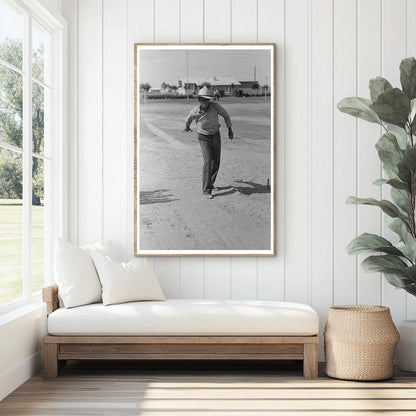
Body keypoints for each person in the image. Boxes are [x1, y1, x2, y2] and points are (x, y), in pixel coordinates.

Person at [184, 86, 234, 199]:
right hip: (203, 137)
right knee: (207, 161)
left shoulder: (215, 107)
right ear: (199, 100)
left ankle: (211, 183)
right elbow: (188, 119)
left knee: (216, 161)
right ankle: (207, 190)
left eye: (207, 100)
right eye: (202, 99)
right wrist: (187, 127)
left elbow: (226, 115)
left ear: (209, 100)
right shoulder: (195, 110)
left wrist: (230, 129)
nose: (205, 102)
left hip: (216, 135)